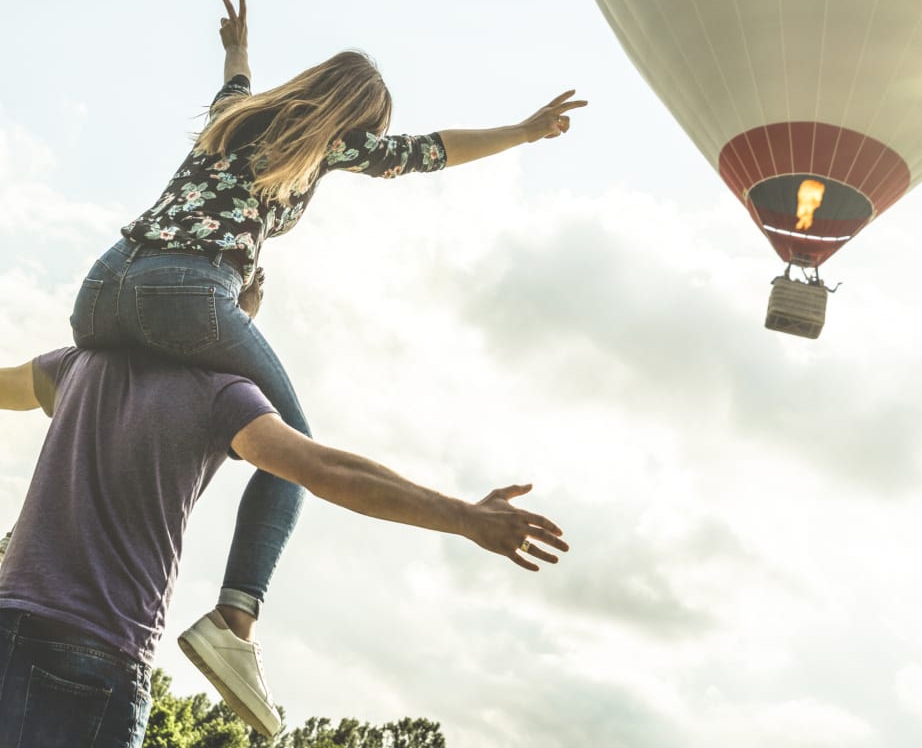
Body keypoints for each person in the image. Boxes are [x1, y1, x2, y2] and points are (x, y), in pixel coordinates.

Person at [68, 0, 586, 718]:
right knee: (292, 447)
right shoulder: (332, 138)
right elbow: (431, 152)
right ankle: (235, 622)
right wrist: (525, 132)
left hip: (101, 292)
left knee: (141, 397)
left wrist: (237, 44)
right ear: (356, 118)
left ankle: (69, 559)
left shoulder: (233, 117)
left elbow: (238, 79)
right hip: (187, 291)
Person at [0, 271, 569, 746]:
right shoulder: (219, 390)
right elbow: (323, 470)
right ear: (229, 311)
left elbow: (5, 387)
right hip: (91, 654)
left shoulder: (76, 366)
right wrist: (465, 517)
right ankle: (237, 619)